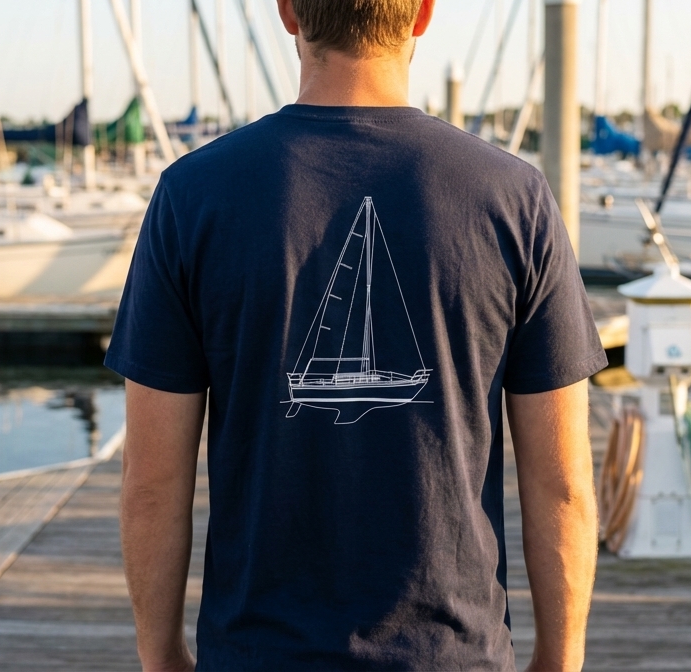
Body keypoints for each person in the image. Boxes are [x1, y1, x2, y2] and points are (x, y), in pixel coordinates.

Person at [106, 0, 604, 669]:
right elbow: (563, 483)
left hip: (257, 654)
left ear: (288, 11)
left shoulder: (191, 195)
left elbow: (152, 482)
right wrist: (561, 658)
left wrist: (161, 654)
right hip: (454, 656)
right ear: (424, 12)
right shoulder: (516, 199)